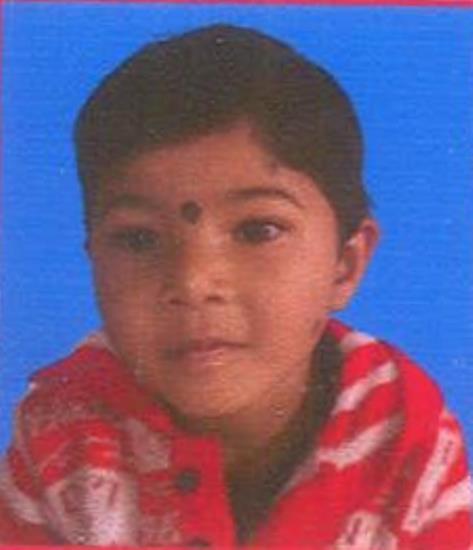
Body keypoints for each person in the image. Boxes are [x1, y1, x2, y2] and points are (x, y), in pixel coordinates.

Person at [0, 23, 471, 548]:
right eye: (138, 239)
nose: (192, 282)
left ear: (344, 264)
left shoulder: (404, 433)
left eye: (257, 230)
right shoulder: (60, 430)